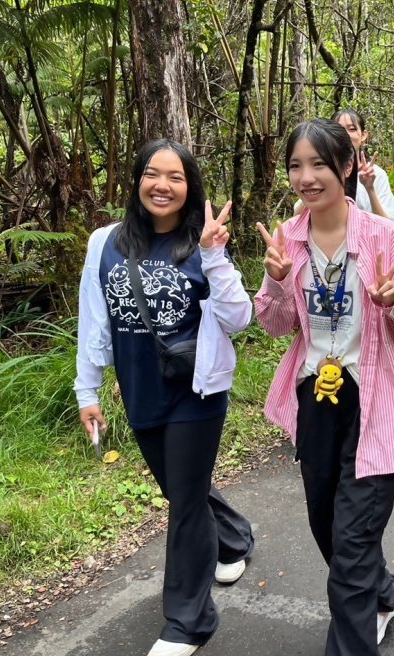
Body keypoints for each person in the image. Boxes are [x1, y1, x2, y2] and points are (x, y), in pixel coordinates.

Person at [254, 119, 394, 655]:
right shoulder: (287, 240)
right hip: (317, 397)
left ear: (346, 168)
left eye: (318, 164)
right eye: (296, 165)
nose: (306, 177)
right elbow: (275, 326)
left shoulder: (384, 236)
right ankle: (383, 592)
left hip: (374, 400)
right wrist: (273, 280)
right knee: (326, 523)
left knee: (353, 542)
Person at [75, 140, 255, 656]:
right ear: (136, 181)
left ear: (189, 187)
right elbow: (93, 320)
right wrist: (87, 389)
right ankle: (234, 537)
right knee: (184, 491)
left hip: (197, 391)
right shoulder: (104, 243)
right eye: (153, 174)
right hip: (140, 388)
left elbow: (239, 318)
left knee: (184, 505)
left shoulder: (203, 241)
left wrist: (214, 254)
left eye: (176, 177)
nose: (163, 185)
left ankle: (187, 622)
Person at [332, 109, 394, 221]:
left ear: (363, 135)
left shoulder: (377, 174)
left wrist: (370, 188)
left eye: (352, 129)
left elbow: (389, 223)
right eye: (339, 129)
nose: (345, 134)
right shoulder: (324, 171)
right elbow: (299, 215)